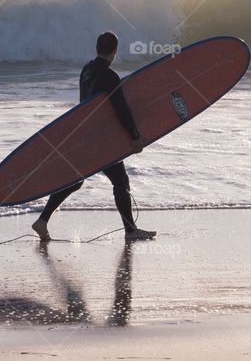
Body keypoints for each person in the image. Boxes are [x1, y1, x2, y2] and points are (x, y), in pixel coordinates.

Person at [31, 32, 157, 242]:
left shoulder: (86, 70)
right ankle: (130, 230)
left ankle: (42, 221)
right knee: (120, 180)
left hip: (84, 135)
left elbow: (84, 104)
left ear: (97, 48)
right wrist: (134, 136)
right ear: (115, 50)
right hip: (100, 140)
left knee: (76, 180)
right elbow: (121, 109)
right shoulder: (110, 76)